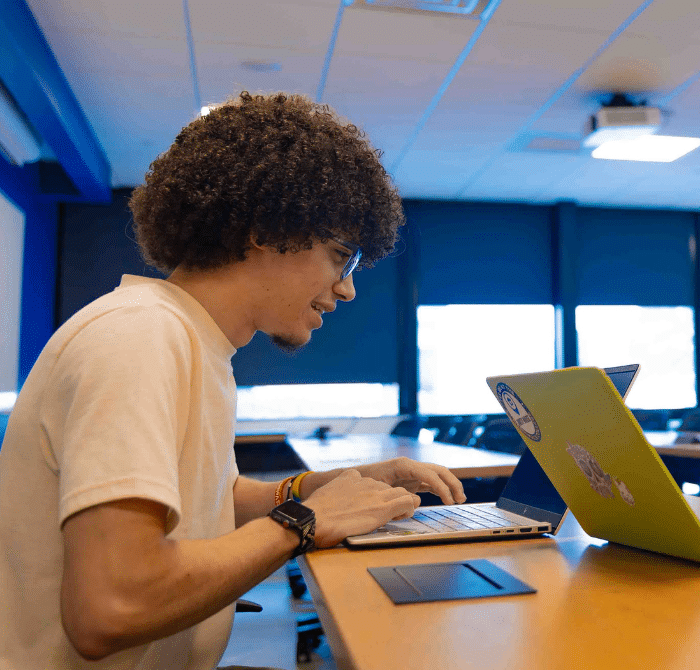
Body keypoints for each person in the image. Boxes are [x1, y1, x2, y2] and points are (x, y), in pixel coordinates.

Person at [0, 91, 468, 669]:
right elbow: (111, 608)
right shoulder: (139, 339)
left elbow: (215, 501)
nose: (347, 289)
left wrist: (342, 485)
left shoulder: (192, 344)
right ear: (265, 231)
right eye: (340, 257)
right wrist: (303, 523)